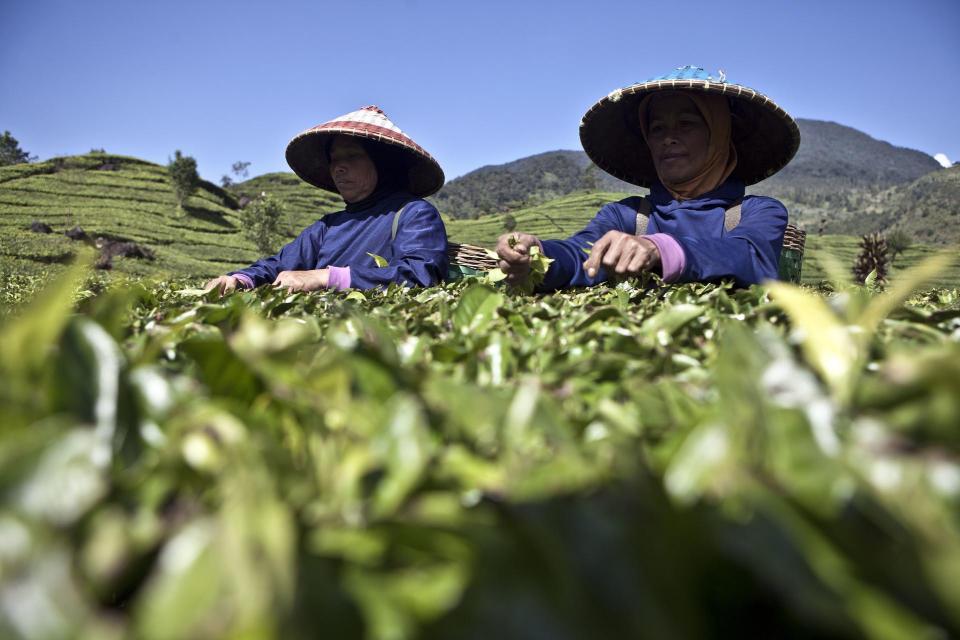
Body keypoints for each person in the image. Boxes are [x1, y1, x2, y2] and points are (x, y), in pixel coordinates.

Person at [496, 66, 801, 290]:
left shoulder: (760, 211)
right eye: (657, 129)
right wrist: (538, 254)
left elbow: (751, 257)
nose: (669, 138)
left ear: (719, 135)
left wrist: (660, 249)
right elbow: (581, 253)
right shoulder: (626, 215)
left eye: (686, 124)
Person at [205, 106, 448, 294]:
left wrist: (326, 278)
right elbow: (279, 264)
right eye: (334, 159)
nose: (338, 168)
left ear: (383, 162)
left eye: (352, 156)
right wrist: (240, 279)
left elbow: (420, 275)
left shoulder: (414, 214)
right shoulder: (329, 226)